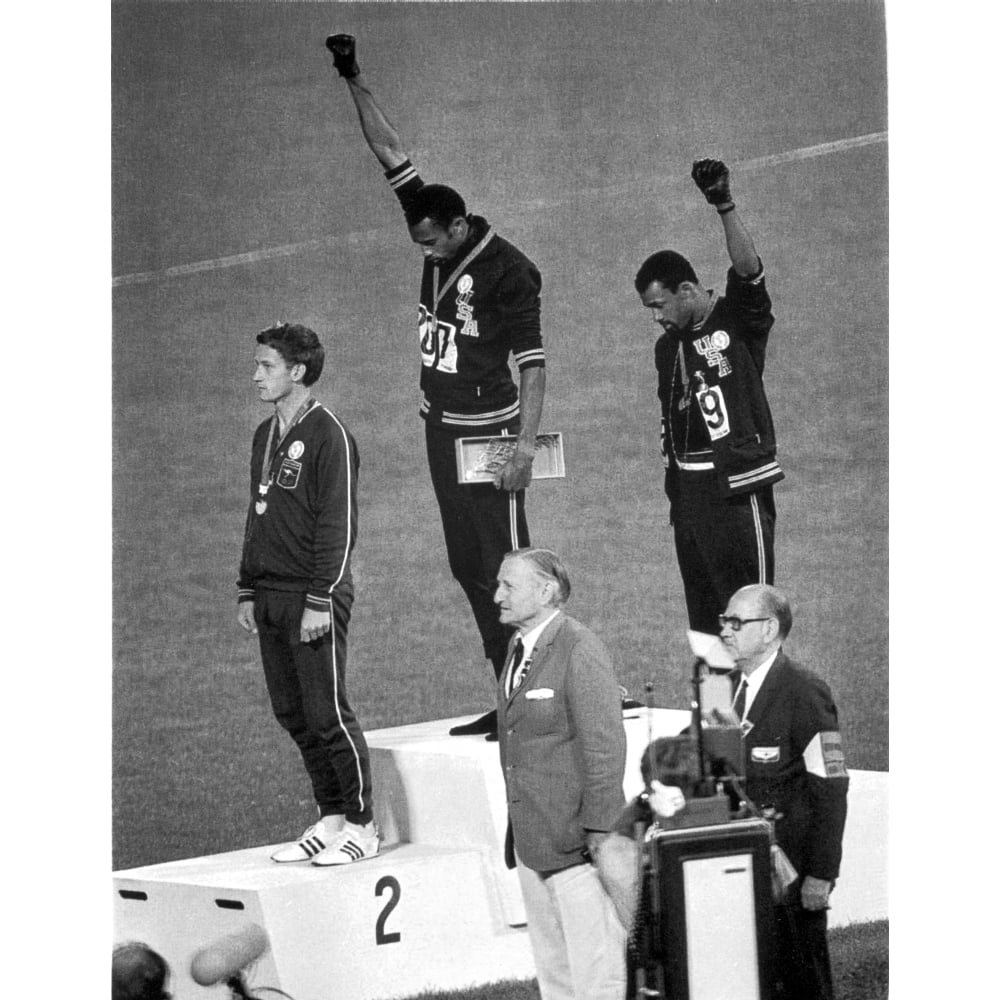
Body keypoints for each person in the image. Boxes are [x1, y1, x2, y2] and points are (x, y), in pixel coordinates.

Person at [328, 34, 546, 739]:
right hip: (440, 429)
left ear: (460, 226)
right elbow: (388, 150)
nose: (422, 251)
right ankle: (507, 692)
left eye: (431, 243)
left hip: (489, 434)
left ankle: (539, 697)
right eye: (418, 242)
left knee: (511, 564)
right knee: (466, 563)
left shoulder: (512, 270)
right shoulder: (430, 220)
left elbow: (534, 364)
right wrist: (354, 75)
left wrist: (521, 446)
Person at [237, 322, 378, 866]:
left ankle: (363, 826)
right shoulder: (263, 436)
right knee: (291, 712)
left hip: (312, 596)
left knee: (327, 713)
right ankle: (332, 815)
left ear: (297, 371)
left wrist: (321, 598)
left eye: (266, 366)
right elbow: (257, 513)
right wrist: (247, 586)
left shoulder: (330, 435)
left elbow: (338, 525)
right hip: (270, 592)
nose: (255, 376)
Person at [634, 159, 783, 636]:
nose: (656, 317)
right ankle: (716, 714)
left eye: (659, 305)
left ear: (686, 290)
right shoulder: (666, 349)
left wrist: (723, 204)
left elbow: (749, 269)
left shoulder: (736, 319)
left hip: (736, 492)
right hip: (690, 502)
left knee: (750, 619)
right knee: (706, 629)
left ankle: (757, 712)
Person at [494, 548, 627, 1000]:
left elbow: (605, 746)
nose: (497, 596)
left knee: (597, 974)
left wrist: (600, 829)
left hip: (577, 843)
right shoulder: (519, 647)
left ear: (547, 590)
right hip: (533, 841)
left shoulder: (579, 647)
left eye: (508, 585)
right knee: (555, 973)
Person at [720, 584, 849, 1000]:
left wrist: (822, 874)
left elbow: (830, 788)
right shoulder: (719, 687)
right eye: (724, 621)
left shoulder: (805, 691)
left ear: (770, 629)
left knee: (802, 985)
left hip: (791, 876)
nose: (725, 631)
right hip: (733, 870)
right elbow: (699, 764)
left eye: (736, 622)